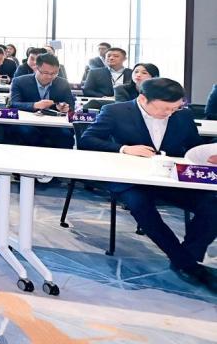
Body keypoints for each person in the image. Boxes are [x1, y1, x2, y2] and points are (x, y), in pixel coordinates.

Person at [80, 78, 217, 292]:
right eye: (164, 109)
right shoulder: (116, 111)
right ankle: (187, 264)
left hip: (168, 178)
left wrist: (207, 156)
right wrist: (124, 149)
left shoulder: (182, 115)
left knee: (212, 205)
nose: (170, 113)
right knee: (141, 206)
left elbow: (193, 146)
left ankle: (187, 258)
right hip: (129, 179)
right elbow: (87, 140)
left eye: (175, 108)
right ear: (143, 99)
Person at [8, 53, 75, 148]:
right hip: (27, 122)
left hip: (54, 123)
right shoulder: (20, 81)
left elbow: (71, 105)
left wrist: (65, 107)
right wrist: (35, 105)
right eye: (46, 73)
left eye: (54, 73)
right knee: (28, 133)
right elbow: (13, 104)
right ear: (36, 68)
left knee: (65, 135)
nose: (50, 76)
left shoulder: (62, 83)